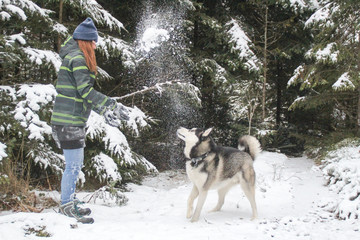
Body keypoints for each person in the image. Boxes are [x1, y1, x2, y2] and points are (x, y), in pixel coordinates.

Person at [51, 17, 129, 224]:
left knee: (74, 165)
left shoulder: (74, 56)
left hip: (69, 119)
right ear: (85, 41)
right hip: (68, 121)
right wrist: (112, 104)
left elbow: (81, 94)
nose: (95, 45)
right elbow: (86, 92)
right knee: (73, 166)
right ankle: (66, 205)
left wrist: (103, 110)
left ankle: (68, 201)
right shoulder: (78, 58)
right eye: (93, 41)